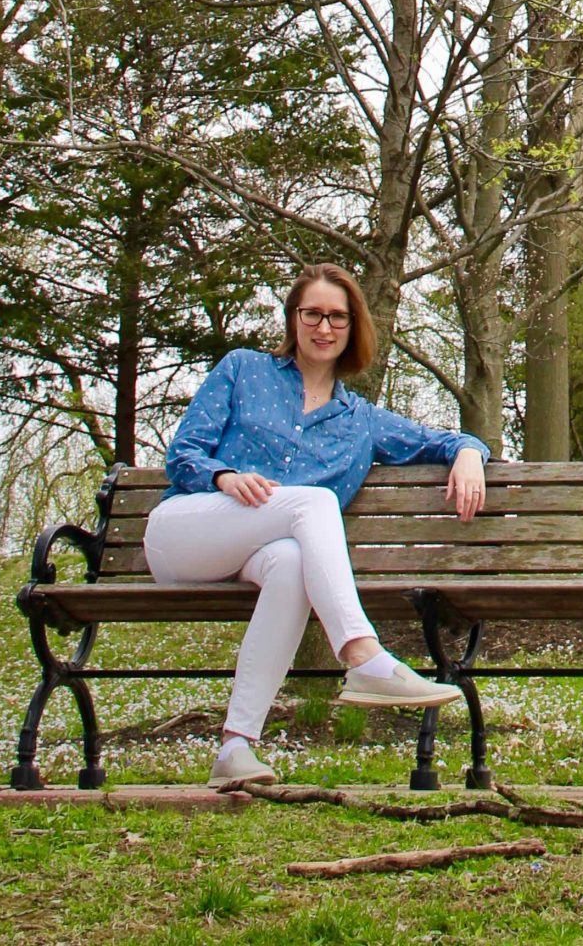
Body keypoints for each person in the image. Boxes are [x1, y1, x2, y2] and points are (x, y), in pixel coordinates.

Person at [144, 262, 489, 789]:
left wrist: (468, 452)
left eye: (337, 318)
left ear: (353, 329)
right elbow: (184, 451)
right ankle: (362, 656)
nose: (323, 328)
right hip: (187, 532)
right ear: (293, 319)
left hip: (259, 554)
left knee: (292, 561)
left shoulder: (360, 419)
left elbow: (440, 439)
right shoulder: (243, 369)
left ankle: (236, 747)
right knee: (313, 503)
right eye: (312, 314)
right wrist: (224, 476)